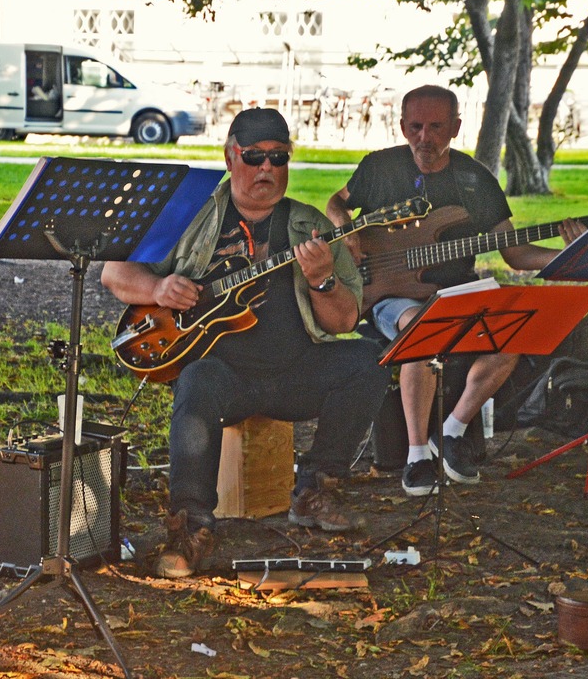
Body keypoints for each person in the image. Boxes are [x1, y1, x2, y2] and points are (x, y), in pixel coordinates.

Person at [101, 108, 387, 578]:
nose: (267, 168)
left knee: (369, 359)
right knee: (197, 381)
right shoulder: (191, 216)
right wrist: (158, 288)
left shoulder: (312, 226)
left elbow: (343, 321)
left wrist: (322, 279)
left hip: (294, 371)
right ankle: (190, 526)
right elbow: (115, 273)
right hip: (223, 377)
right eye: (255, 157)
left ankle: (315, 489)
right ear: (231, 157)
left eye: (279, 157)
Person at [326, 85, 584, 497]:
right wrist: (346, 230)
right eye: (415, 127)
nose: (424, 137)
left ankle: (452, 430)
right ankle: (416, 456)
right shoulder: (379, 166)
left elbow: (515, 254)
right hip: (387, 293)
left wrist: (572, 254)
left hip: (458, 293)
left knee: (512, 334)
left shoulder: (474, 180)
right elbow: (336, 203)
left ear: (456, 127)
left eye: (435, 127)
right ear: (402, 127)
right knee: (423, 329)